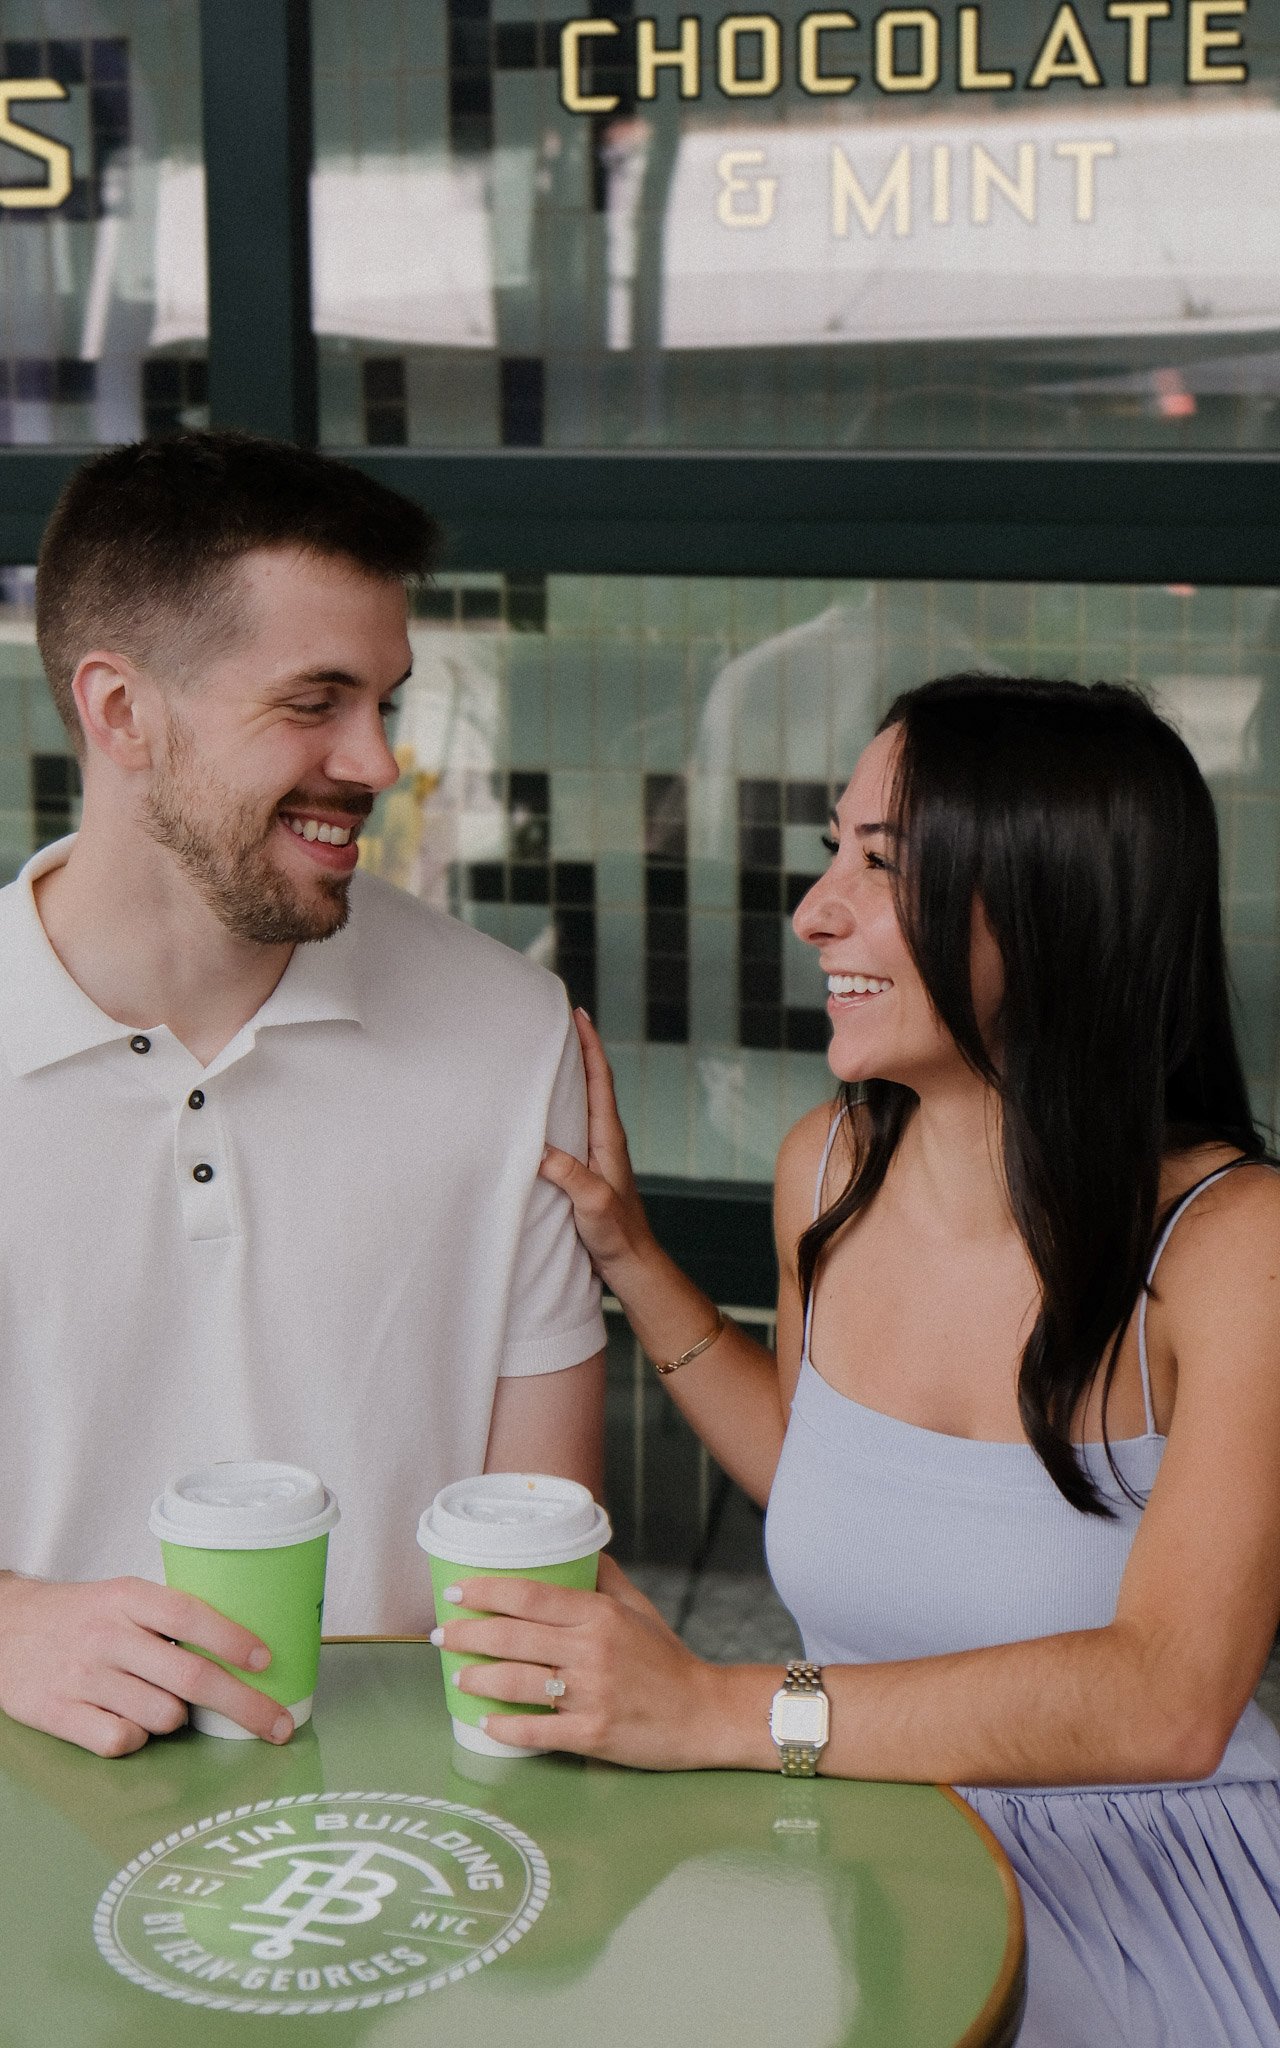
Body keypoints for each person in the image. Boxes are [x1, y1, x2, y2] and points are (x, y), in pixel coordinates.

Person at [433, 674, 1280, 2045]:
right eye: (833, 850)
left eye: (884, 866)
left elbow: (1170, 1697)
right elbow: (832, 1482)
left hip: (1143, 1899)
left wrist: (711, 1707)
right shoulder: (826, 1168)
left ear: (1056, 903)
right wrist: (637, 1265)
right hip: (878, 1869)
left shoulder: (1233, 1247)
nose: (815, 909)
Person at [0, 431, 605, 1759]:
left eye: (385, 701)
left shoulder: (511, 1035)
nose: (378, 762)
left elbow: (539, 1580)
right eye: (313, 702)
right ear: (120, 713)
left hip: (404, 1857)